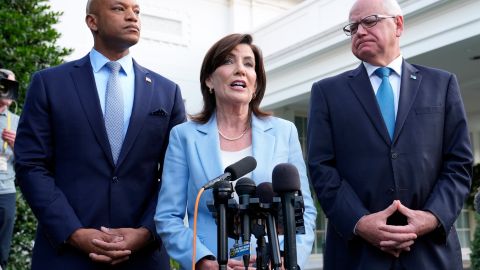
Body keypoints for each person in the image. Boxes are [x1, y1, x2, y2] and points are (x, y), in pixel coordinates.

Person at [13, 0, 186, 269]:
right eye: (119, 9)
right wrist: (73, 232)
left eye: (136, 11)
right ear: (92, 22)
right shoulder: (49, 84)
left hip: (143, 258)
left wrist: (145, 232)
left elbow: (178, 174)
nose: (132, 17)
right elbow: (30, 164)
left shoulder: (167, 91)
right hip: (66, 255)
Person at [307, 0, 473, 269]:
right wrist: (359, 222)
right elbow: (321, 167)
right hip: (357, 255)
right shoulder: (327, 93)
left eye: (369, 21)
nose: (359, 31)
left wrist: (431, 217)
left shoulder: (442, 85)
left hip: (431, 254)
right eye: (353, 26)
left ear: (398, 25)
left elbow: (459, 164)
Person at [154, 33, 317, 269]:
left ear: (256, 83)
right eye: (228, 61)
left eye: (248, 64)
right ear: (209, 80)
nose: (240, 70)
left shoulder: (285, 132)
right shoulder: (184, 136)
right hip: (213, 262)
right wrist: (202, 260)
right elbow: (168, 217)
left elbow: (304, 210)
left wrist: (285, 258)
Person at [0, 69, 19, 270]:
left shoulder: (17, 121)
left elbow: (29, 161)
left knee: (1, 249)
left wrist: (17, 145)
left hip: (6, 191)